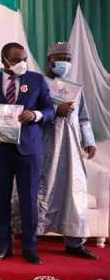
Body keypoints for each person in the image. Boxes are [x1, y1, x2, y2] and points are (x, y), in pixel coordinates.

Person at [0, 42, 54, 264]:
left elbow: (50, 109)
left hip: (29, 150)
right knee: (1, 199)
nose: (21, 63)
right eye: (15, 59)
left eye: (23, 58)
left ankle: (30, 247)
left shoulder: (36, 80)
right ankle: (3, 245)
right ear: (3, 60)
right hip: (0, 150)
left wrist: (35, 115)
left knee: (29, 200)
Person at [37, 42, 97, 259]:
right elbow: (31, 112)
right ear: (49, 60)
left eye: (68, 59)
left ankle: (74, 242)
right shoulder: (38, 84)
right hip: (43, 145)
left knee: (74, 191)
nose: (64, 63)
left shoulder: (75, 88)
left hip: (70, 148)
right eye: (60, 58)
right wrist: (55, 110)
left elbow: (83, 118)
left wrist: (89, 141)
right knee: (40, 189)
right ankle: (31, 237)